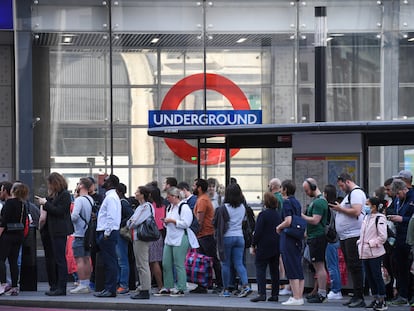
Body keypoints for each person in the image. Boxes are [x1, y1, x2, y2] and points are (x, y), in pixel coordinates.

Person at [330, 173, 366, 308]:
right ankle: (356, 296)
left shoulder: (356, 193)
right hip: (346, 236)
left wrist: (340, 208)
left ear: (348, 182)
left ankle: (359, 297)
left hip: (353, 236)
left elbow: (356, 211)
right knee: (352, 266)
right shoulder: (350, 194)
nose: (341, 188)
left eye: (341, 185)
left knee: (355, 266)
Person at [155, 187, 199, 297]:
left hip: (180, 237)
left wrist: (173, 221)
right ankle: (168, 286)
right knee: (166, 263)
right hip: (169, 238)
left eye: (169, 197)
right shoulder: (170, 207)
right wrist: (166, 222)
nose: (167, 199)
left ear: (175, 197)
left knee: (179, 264)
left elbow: (186, 223)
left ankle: (181, 287)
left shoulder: (184, 208)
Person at [36, 172, 74, 296]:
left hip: (59, 230)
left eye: (50, 184)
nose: (49, 186)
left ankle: (61, 287)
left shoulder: (65, 195)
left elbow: (60, 211)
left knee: (60, 259)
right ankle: (57, 286)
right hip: (54, 230)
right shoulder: (58, 195)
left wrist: (45, 204)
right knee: (56, 259)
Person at [216, 183, 252, 298]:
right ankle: (246, 285)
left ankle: (226, 290)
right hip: (239, 237)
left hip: (227, 237)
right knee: (239, 263)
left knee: (225, 264)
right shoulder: (242, 207)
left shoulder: (223, 208)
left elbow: (216, 223)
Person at [276, 179, 304, 306]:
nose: (280, 190)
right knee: (297, 266)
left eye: (281, 187)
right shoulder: (297, 202)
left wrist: (279, 227)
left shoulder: (286, 202)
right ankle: (299, 296)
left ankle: (296, 297)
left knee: (290, 266)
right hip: (297, 237)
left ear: (285, 189)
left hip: (288, 237)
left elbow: (288, 220)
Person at [191, 178, 222, 293]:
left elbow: (200, 220)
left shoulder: (202, 200)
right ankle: (203, 285)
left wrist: (194, 232)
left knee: (212, 259)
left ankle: (219, 284)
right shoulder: (202, 199)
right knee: (203, 261)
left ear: (199, 188)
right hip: (204, 234)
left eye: (194, 186)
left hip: (205, 234)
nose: (192, 187)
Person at [249, 191, 281, 302]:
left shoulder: (263, 215)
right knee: (274, 271)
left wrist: (253, 244)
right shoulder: (278, 215)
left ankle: (262, 293)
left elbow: (258, 232)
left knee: (260, 269)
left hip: (263, 246)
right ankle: (275, 294)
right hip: (276, 245)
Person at [357, 196, 388, 311]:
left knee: (377, 276)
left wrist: (371, 243)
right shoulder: (366, 217)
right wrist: (360, 242)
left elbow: (383, 236)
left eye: (367, 204)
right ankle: (375, 299)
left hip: (375, 253)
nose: (365, 206)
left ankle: (382, 300)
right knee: (370, 277)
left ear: (374, 207)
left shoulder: (379, 218)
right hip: (364, 252)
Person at [93, 174, 122, 298]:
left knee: (110, 262)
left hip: (107, 232)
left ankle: (110, 289)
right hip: (107, 232)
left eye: (105, 180)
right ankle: (108, 288)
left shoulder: (111, 198)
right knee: (109, 262)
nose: (102, 182)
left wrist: (106, 233)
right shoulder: (110, 197)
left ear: (110, 183)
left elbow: (111, 216)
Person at [301, 178, 329, 303]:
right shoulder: (317, 201)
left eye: (307, 190)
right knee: (318, 266)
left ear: (313, 187)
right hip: (314, 236)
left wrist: (301, 215)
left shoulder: (319, 202)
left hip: (317, 237)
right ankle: (320, 292)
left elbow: (315, 220)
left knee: (319, 266)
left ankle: (322, 293)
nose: (306, 193)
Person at [388, 178, 414, 306]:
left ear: (404, 189)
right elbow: (391, 209)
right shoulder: (398, 200)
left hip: (410, 237)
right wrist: (392, 216)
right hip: (399, 236)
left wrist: (402, 219)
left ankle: (411, 295)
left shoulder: (412, 197)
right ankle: (403, 295)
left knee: (411, 268)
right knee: (401, 268)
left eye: (398, 193)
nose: (397, 197)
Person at [0, 182, 29, 296]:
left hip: (7, 235)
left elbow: (3, 221)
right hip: (19, 235)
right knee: (13, 261)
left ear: (13, 191)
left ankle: (2, 284)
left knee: (1, 259)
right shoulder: (23, 204)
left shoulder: (9, 203)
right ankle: (14, 286)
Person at [127, 185, 154, 300]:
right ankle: (143, 286)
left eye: (137, 192)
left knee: (142, 264)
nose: (135, 193)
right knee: (140, 264)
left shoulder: (146, 206)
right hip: (137, 237)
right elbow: (131, 221)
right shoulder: (140, 207)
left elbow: (135, 221)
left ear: (142, 195)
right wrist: (131, 222)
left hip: (141, 237)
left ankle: (145, 289)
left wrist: (131, 222)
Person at [69, 177, 93, 294]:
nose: (77, 185)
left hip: (79, 233)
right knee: (87, 259)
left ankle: (82, 283)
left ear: (82, 186)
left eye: (78, 183)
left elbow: (74, 216)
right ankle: (87, 283)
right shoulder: (90, 199)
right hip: (88, 234)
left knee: (79, 260)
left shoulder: (79, 200)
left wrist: (67, 217)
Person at [323, 184, 343, 300]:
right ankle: (336, 289)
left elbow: (327, 224)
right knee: (334, 265)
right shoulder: (338, 206)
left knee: (332, 265)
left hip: (331, 239)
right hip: (338, 237)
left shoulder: (328, 207)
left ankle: (336, 290)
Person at [115, 183, 134, 295]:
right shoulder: (122, 202)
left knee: (122, 260)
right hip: (119, 233)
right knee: (120, 259)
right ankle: (120, 283)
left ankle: (123, 284)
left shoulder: (123, 203)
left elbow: (131, 215)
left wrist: (120, 223)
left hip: (120, 233)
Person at [147, 183, 166, 292]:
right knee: (153, 261)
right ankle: (148, 284)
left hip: (151, 235)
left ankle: (160, 285)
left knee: (153, 261)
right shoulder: (163, 206)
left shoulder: (150, 206)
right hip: (160, 234)